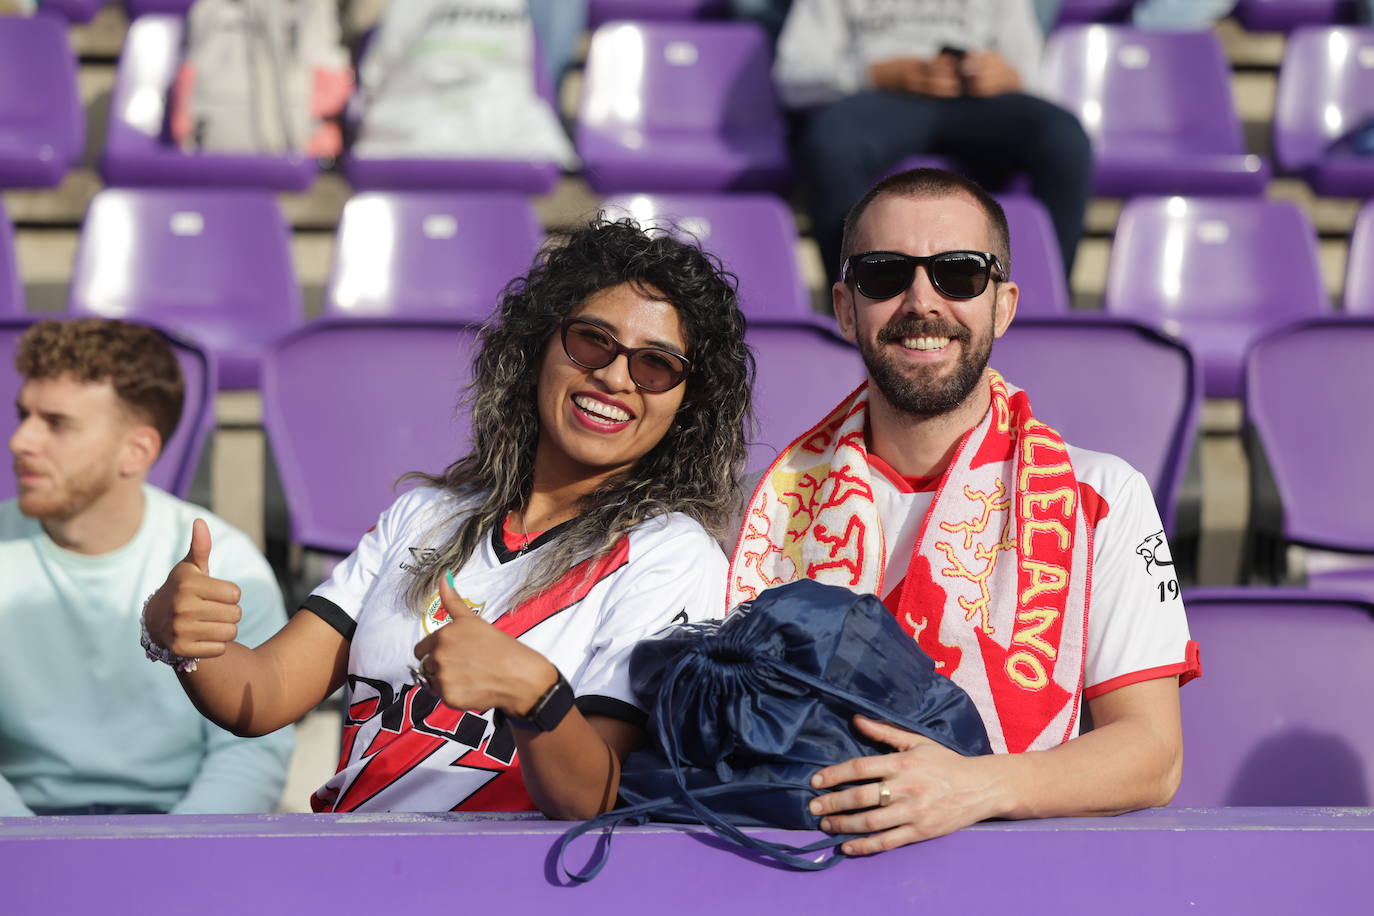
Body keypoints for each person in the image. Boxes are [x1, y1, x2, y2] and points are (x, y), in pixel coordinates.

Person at [142, 217, 754, 816]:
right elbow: (265, 696)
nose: (616, 377)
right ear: (539, 345)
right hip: (351, 876)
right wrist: (188, 642)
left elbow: (592, 797)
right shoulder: (425, 515)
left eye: (656, 365)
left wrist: (534, 696)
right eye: (592, 339)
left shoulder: (671, 555)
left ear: (687, 404)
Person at [728, 168, 1199, 854]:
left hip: (1014, 873)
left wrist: (971, 788)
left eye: (959, 274)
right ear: (843, 306)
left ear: (1003, 305)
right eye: (885, 274)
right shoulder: (759, 505)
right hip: (799, 866)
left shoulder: (1101, 493)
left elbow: (1153, 756)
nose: (923, 301)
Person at [0, 319, 292, 816]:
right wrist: (31, 851)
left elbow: (251, 748)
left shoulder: (229, 563)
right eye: (23, 415)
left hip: (183, 840)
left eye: (57, 423)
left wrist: (170, 856)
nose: (20, 441)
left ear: (137, 451)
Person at [774, 0, 1093, 278]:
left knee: (1063, 139)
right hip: (879, 94)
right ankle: (856, 299)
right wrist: (875, 74)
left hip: (978, 99)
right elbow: (794, 76)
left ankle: (1041, 302)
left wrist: (1005, 75)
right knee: (830, 144)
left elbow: (1030, 75)